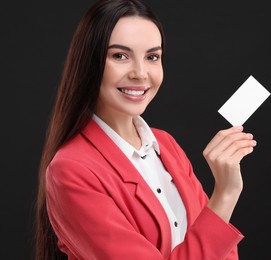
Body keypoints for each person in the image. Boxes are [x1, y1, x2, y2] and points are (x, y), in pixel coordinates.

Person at [35, 0, 257, 259]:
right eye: (120, 56)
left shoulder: (166, 145)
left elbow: (222, 250)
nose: (140, 73)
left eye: (152, 57)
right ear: (89, 62)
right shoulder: (71, 170)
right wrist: (225, 194)